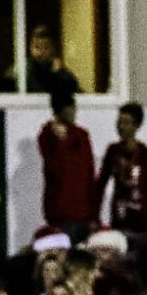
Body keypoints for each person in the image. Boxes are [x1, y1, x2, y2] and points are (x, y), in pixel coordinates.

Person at [95, 103, 147, 249]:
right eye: (119, 122)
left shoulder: (146, 155)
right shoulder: (113, 151)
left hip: (141, 224)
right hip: (119, 220)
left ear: (136, 126)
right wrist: (95, 216)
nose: (121, 127)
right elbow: (101, 184)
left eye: (126, 123)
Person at [38, 82, 96, 241]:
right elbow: (56, 171)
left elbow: (89, 174)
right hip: (60, 212)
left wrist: (94, 213)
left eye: (74, 107)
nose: (73, 112)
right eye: (69, 108)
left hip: (84, 212)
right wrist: (61, 143)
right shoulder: (47, 136)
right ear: (58, 110)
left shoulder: (82, 135)